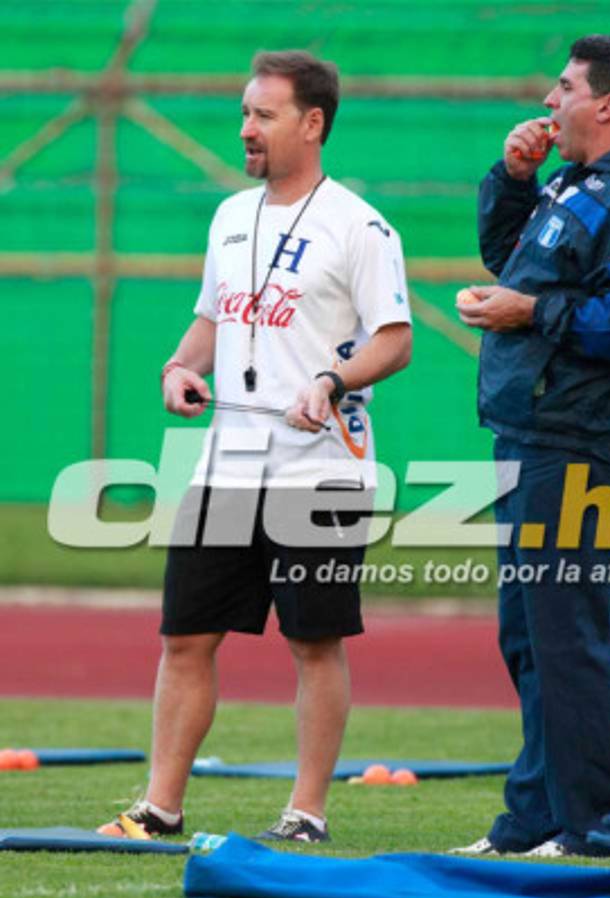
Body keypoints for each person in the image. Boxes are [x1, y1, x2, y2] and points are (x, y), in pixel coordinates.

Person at [98, 50, 411, 843]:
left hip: (322, 473)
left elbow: (394, 340)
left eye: (262, 114)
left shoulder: (361, 226)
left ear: (312, 123)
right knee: (184, 636)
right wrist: (179, 366)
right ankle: (159, 807)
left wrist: (332, 381)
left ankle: (306, 812)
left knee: (313, 642)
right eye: (244, 112)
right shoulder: (230, 216)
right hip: (226, 466)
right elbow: (213, 316)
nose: (245, 128)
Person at [451, 35, 610, 858]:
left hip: (581, 440)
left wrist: (528, 315)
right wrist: (513, 181)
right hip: (530, 429)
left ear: (607, 104)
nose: (548, 99)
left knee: (566, 637)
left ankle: (596, 828)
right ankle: (533, 819)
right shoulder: (575, 180)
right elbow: (512, 260)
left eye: (563, 87)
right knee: (527, 634)